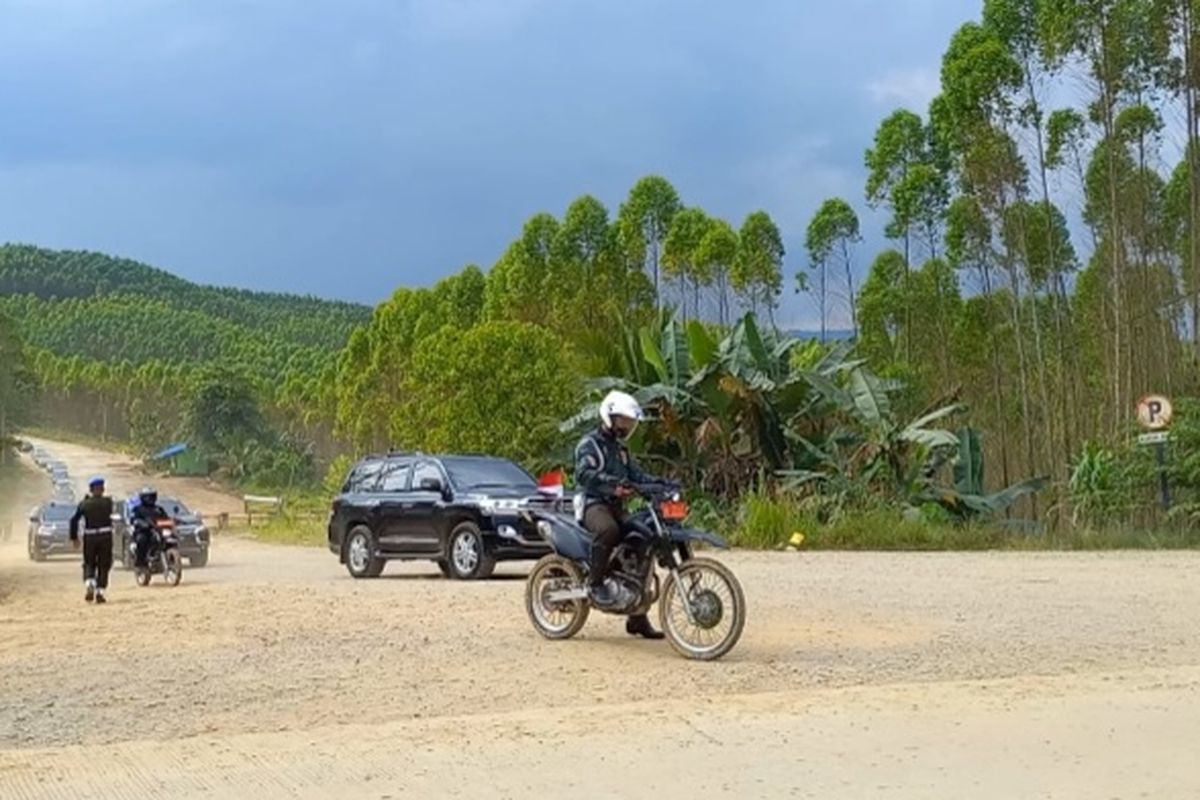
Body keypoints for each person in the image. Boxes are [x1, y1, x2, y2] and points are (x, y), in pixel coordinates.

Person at [574, 390, 665, 640]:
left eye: (630, 422)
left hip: (615, 506)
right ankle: (594, 583)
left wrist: (663, 483)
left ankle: (637, 617)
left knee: (643, 538)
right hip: (593, 503)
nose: (627, 426)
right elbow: (584, 475)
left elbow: (637, 476)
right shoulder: (589, 444)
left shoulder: (621, 451)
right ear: (609, 416)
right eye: (623, 420)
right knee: (609, 530)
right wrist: (612, 484)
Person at [69, 476, 115, 604]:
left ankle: (90, 582)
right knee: (104, 564)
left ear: (91, 489)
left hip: (90, 536)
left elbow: (74, 520)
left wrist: (74, 538)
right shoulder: (108, 502)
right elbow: (110, 510)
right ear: (102, 489)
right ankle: (100, 591)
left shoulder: (84, 504)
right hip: (106, 535)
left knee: (89, 562)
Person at [130, 486, 169, 569]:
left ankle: (168, 557)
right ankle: (141, 562)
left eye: (152, 496)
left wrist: (174, 522)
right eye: (147, 496)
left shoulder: (158, 509)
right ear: (143, 497)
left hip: (157, 531)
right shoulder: (138, 509)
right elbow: (134, 519)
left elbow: (166, 518)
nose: (150, 498)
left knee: (169, 538)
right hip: (143, 531)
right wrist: (142, 523)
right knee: (142, 540)